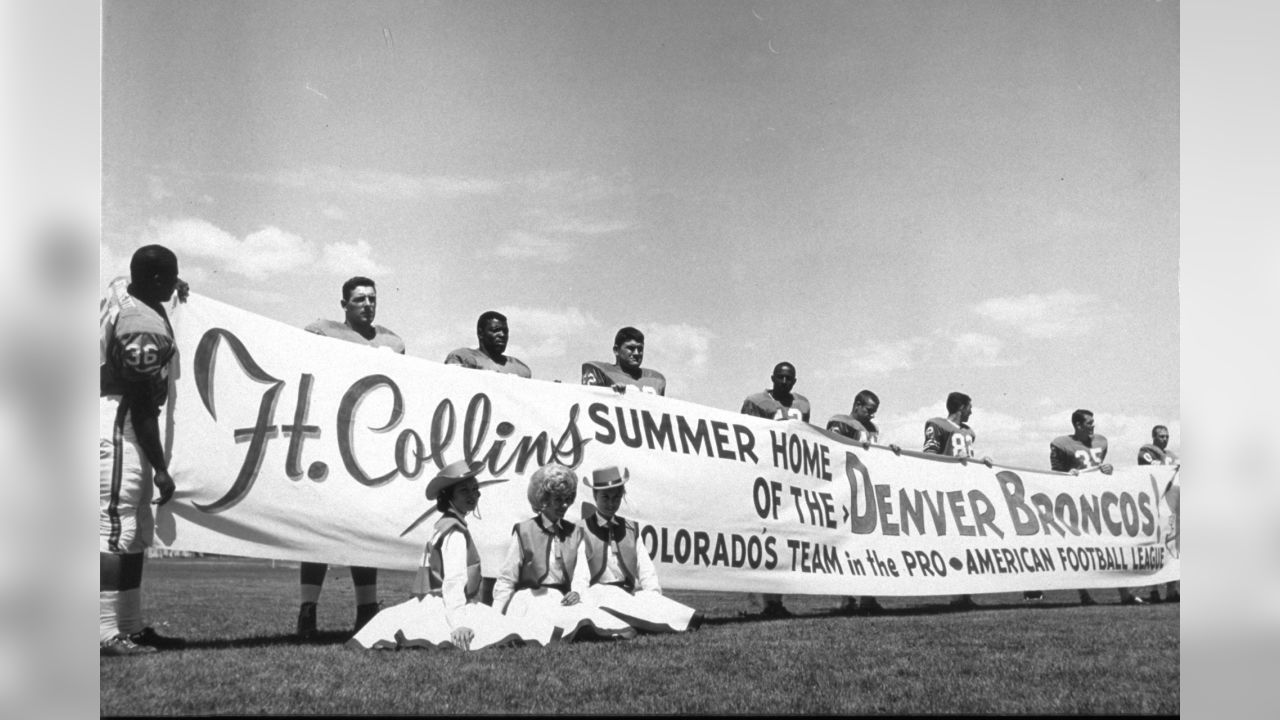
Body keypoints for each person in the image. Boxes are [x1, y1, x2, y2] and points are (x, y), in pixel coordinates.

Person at [297, 276, 405, 640]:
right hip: (330, 437)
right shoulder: (321, 331)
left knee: (364, 528)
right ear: (344, 304)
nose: (367, 305)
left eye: (372, 298)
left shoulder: (392, 342)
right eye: (359, 299)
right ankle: (308, 609)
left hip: (370, 443)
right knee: (318, 529)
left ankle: (366, 610)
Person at [348, 461, 556, 651]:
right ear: (449, 496)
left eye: (475, 490)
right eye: (464, 490)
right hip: (446, 603)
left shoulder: (443, 524)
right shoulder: (454, 532)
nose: (472, 495)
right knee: (507, 630)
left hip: (434, 600)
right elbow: (454, 581)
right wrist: (459, 623)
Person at [99, 244, 188, 655]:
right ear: (154, 281)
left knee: (133, 534)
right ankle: (102, 632)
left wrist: (169, 288)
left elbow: (127, 282)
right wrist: (160, 466)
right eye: (169, 279)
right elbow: (140, 402)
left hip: (119, 416)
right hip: (121, 423)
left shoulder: (123, 289)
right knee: (113, 530)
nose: (173, 287)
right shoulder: (140, 323)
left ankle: (130, 627)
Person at [492, 463, 636, 641]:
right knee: (545, 626)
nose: (565, 504)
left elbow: (581, 574)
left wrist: (576, 592)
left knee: (593, 621)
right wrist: (495, 618)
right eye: (558, 499)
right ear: (543, 499)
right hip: (531, 598)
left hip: (561, 598)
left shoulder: (575, 532)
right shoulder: (524, 530)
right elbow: (507, 578)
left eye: (568, 498)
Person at [576, 467, 702, 633]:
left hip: (627, 594)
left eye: (616, 498)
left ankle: (675, 618)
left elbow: (645, 568)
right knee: (609, 597)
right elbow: (581, 571)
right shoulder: (582, 529)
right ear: (595, 497)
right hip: (599, 593)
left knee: (646, 598)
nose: (611, 503)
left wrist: (653, 595)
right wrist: (579, 594)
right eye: (605, 497)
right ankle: (651, 622)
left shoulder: (630, 529)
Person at [738, 362, 810, 618]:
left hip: (788, 478)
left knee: (783, 540)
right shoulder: (756, 401)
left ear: (794, 380)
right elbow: (745, 435)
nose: (784, 381)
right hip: (763, 475)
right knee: (760, 537)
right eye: (780, 377)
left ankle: (776, 600)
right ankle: (756, 603)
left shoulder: (802, 405)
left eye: (789, 378)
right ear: (772, 378)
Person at [1049, 409, 1142, 606]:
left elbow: (1100, 467)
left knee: (1113, 545)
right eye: (1089, 423)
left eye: (1093, 422)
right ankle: (1084, 594)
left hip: (1101, 500)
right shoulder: (1061, 444)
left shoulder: (1101, 441)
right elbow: (1056, 475)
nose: (1093, 426)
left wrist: (1107, 469)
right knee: (1079, 548)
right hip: (1077, 503)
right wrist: (1068, 473)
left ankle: (1124, 593)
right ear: (1078, 425)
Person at [826, 389, 899, 615]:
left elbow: (876, 456)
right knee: (846, 544)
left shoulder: (872, 429)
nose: (871, 416)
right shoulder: (840, 422)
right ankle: (844, 597)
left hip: (869, 490)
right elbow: (833, 449)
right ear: (857, 405)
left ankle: (869, 596)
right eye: (868, 411)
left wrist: (889, 451)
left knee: (871, 544)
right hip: (847, 488)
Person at [922, 392, 993, 610]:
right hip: (946, 489)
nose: (971, 411)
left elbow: (967, 457)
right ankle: (954, 593)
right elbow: (929, 455)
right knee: (950, 542)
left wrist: (980, 462)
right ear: (961, 407)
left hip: (966, 490)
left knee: (967, 543)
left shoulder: (968, 432)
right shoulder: (937, 425)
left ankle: (963, 593)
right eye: (969, 407)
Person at [1138, 424, 1180, 603]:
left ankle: (1172, 590)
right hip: (1154, 506)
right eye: (1161, 436)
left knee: (1172, 548)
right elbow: (1153, 468)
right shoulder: (1146, 451)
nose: (1165, 439)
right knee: (1154, 549)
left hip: (1170, 507)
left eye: (1167, 436)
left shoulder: (1171, 455)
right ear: (1154, 437)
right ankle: (1153, 589)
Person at [445, 310, 532, 378]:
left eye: (505, 331)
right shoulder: (462, 357)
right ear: (481, 333)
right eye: (495, 330)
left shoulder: (520, 369)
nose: (502, 335)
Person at [581, 326, 666, 395]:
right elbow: (589, 403)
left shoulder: (656, 379)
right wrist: (609, 394)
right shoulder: (600, 371)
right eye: (631, 348)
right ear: (616, 350)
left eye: (640, 349)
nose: (636, 353)